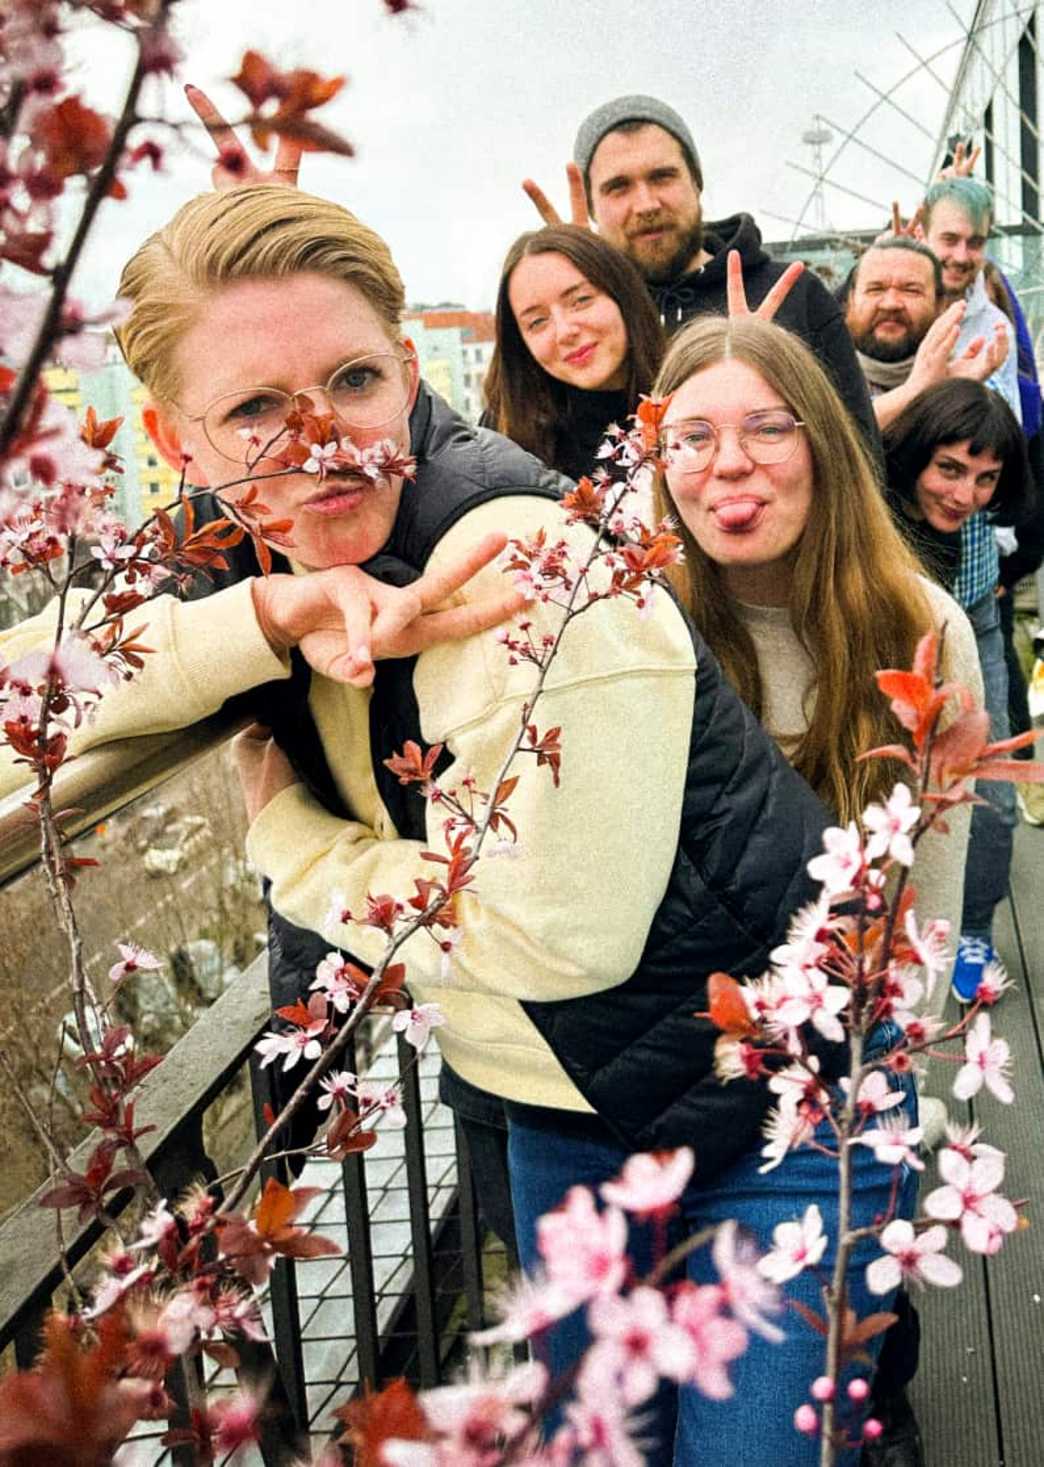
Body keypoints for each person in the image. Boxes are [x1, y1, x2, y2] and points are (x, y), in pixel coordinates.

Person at [1, 184, 883, 1465]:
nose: (323, 442)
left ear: (412, 375)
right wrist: (263, 622)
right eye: (254, 409)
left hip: (771, 1096)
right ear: (174, 441)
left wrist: (289, 839)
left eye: (354, 381)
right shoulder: (238, 549)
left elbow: (551, 943)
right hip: (566, 1105)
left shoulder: (522, 557)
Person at [646, 315, 982, 1467]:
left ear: (826, 445)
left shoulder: (917, 627)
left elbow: (930, 893)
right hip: (651, 1073)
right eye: (689, 436)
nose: (725, 464)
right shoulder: (642, 623)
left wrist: (892, 1071)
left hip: (830, 1080)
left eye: (763, 429)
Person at [522, 93, 879, 450]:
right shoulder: (576, 326)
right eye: (618, 188)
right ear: (593, 207)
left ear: (696, 182)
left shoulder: (793, 295)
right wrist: (580, 286)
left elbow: (859, 457)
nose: (646, 204)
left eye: (662, 177)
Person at [882, 378, 1035, 998]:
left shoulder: (977, 518)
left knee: (992, 787)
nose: (965, 494)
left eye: (984, 478)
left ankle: (974, 928)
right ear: (919, 453)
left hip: (975, 618)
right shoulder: (878, 498)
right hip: (892, 627)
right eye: (949, 469)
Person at [482, 224, 665, 481]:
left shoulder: (692, 398)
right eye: (537, 322)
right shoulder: (506, 439)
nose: (564, 332)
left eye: (580, 301)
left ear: (623, 294)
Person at [841, 235, 1008, 429]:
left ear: (940, 305)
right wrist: (916, 389)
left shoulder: (974, 382)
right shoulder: (822, 381)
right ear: (850, 302)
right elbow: (828, 440)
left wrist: (951, 393)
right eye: (875, 289)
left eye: (911, 290)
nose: (891, 303)